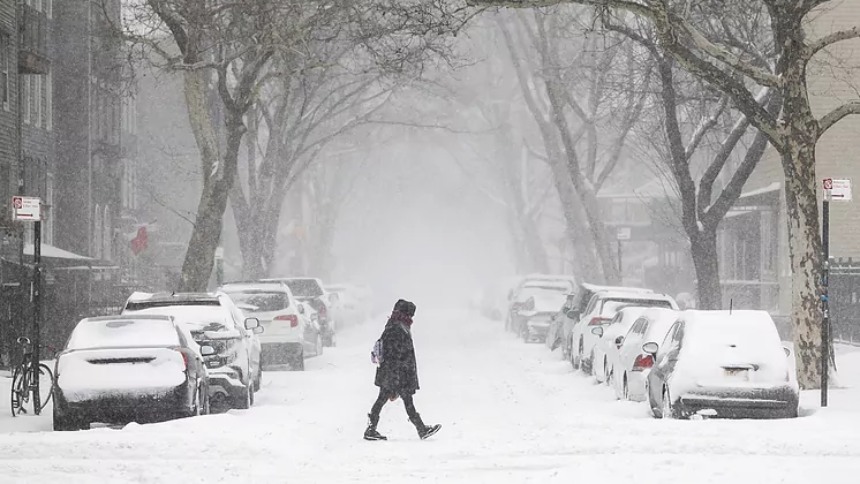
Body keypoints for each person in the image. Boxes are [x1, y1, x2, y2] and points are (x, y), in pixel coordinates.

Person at [364, 299, 440, 441]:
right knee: (401, 400)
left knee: (386, 399)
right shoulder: (397, 328)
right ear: (405, 314)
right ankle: (421, 429)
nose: (411, 319)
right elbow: (395, 354)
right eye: (410, 315)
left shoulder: (396, 325)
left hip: (394, 373)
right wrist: (396, 378)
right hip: (397, 373)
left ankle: (371, 429)